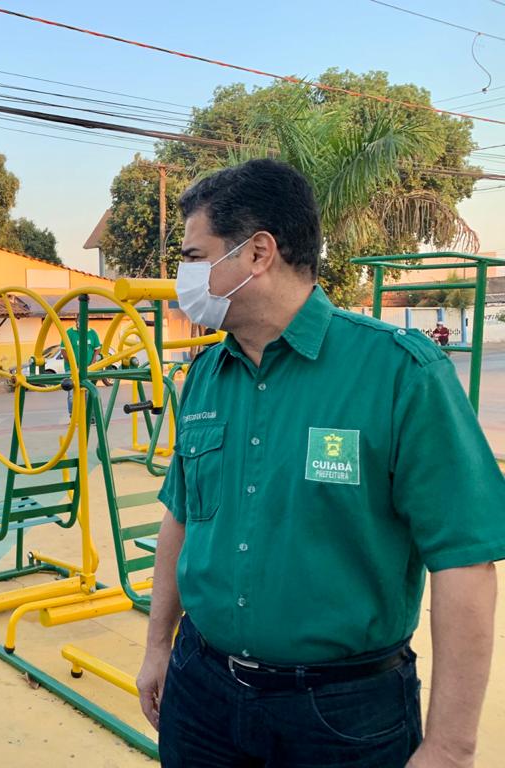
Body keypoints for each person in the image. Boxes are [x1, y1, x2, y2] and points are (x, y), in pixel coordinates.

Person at [135, 158, 505, 768]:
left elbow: (464, 560)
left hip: (343, 714)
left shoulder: (399, 373)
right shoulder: (206, 374)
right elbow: (182, 516)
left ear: (258, 254)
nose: (184, 278)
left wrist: (449, 746)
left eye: (195, 257)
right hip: (202, 691)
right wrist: (158, 647)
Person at [64, 315, 102, 417]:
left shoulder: (92, 333)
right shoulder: (69, 333)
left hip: (88, 369)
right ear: (75, 321)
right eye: (79, 320)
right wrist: (74, 365)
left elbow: (97, 349)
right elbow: (63, 350)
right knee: (72, 393)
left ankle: (90, 416)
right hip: (72, 369)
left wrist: (93, 362)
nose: (81, 323)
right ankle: (73, 416)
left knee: (89, 392)